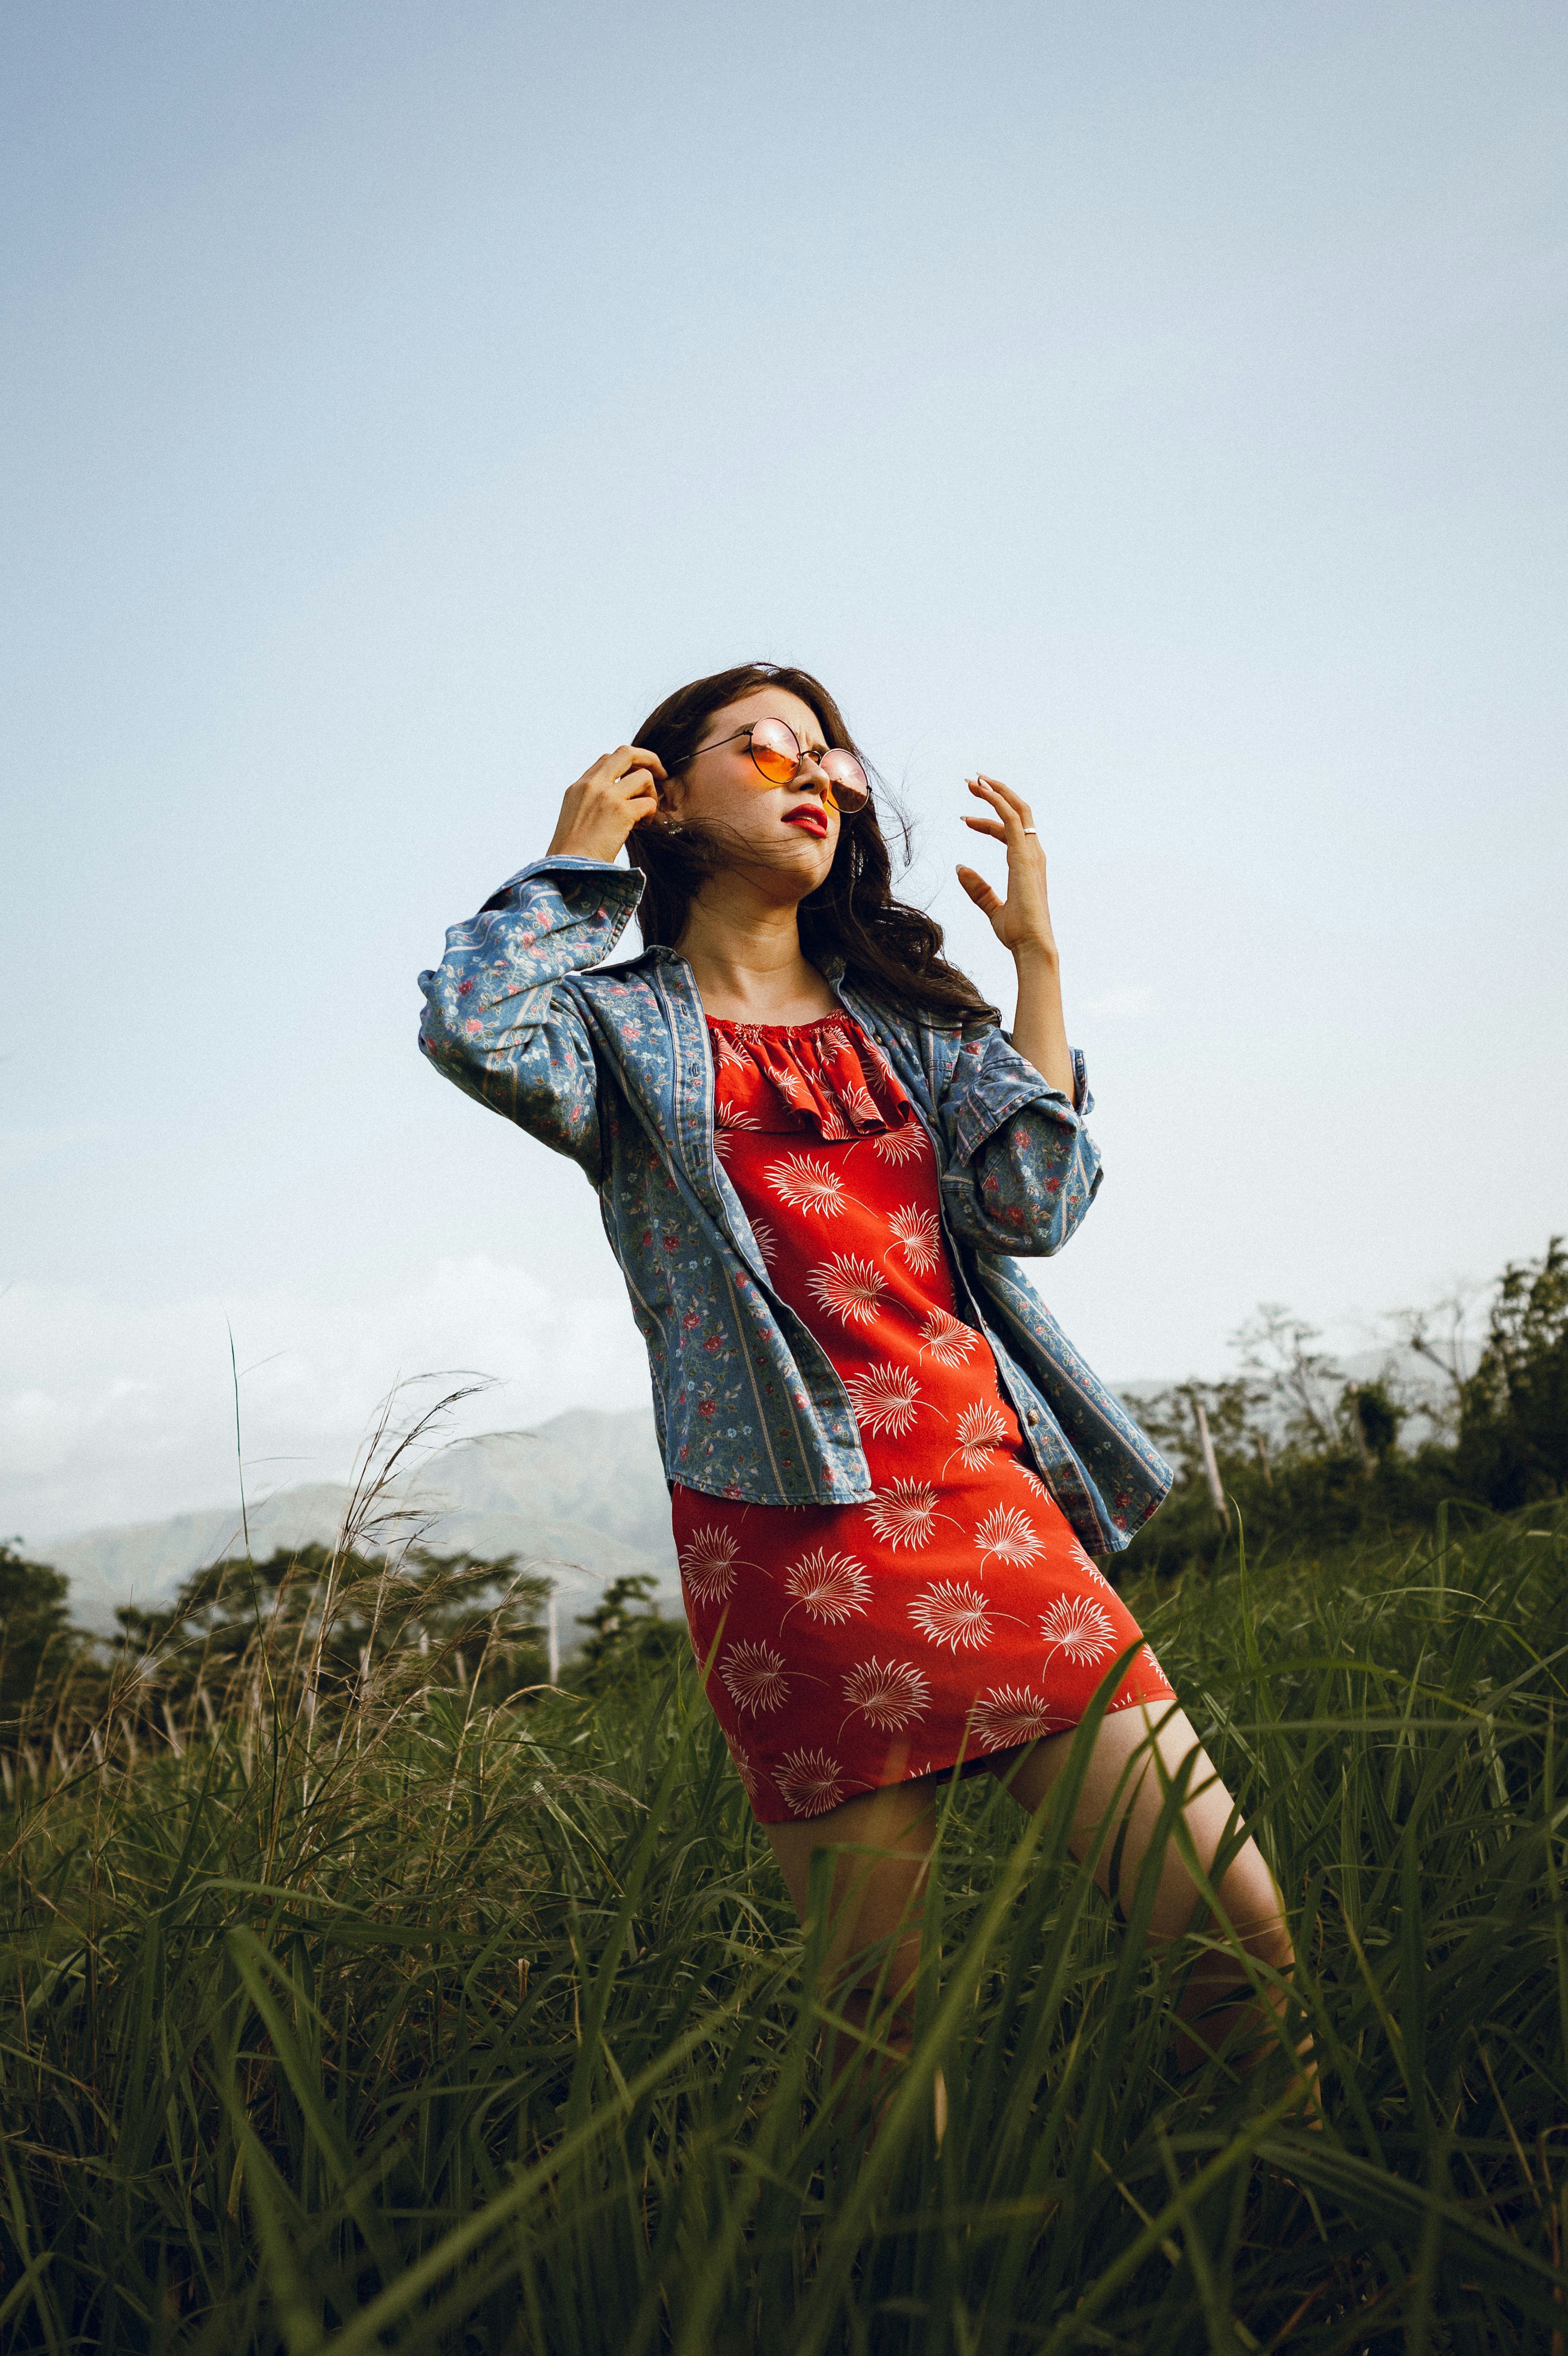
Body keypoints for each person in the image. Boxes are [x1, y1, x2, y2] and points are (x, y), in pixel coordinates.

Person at [418, 661, 1298, 2108]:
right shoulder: (619, 1033)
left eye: (828, 751)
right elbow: (471, 1026)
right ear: (665, 794)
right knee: (881, 2023)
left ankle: (1297, 2245)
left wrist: (1036, 962)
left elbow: (1029, 1202)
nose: (813, 771)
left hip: (989, 1508)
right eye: (763, 747)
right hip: (784, 1527)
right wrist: (575, 865)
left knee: (1233, 1925)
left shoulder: (907, 1018)